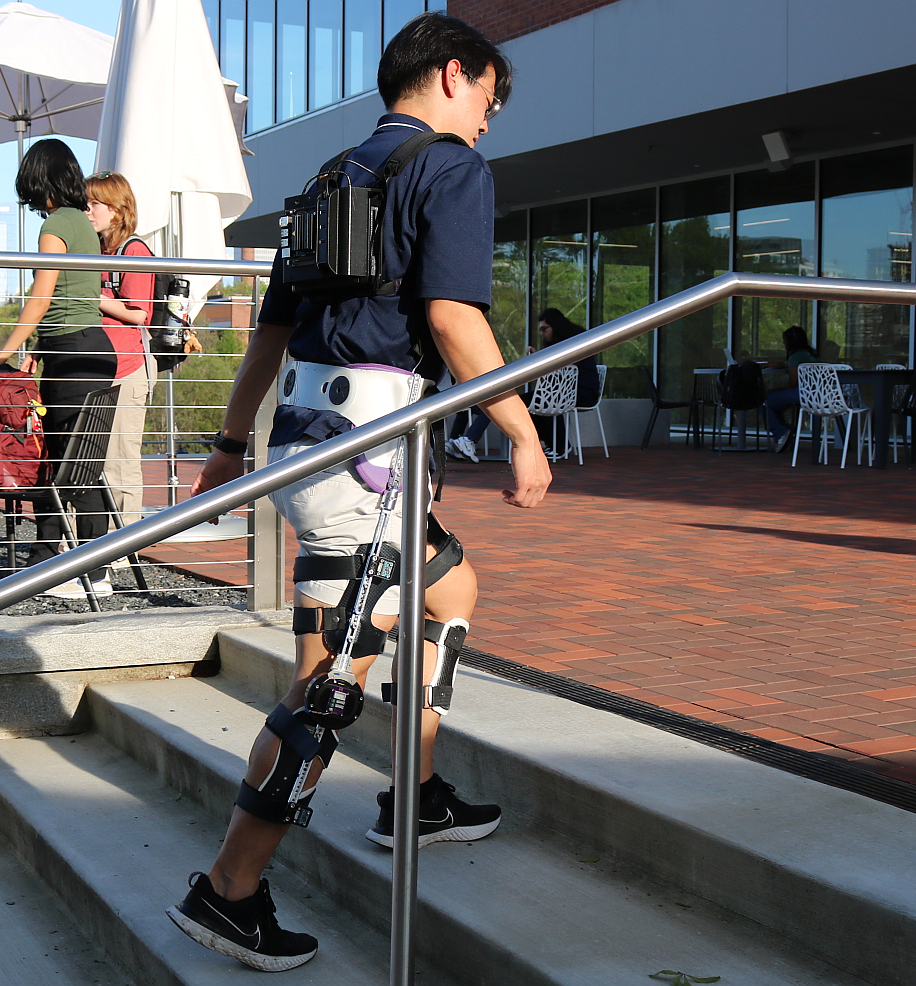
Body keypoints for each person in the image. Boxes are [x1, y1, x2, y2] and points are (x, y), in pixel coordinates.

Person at [167, 13, 548, 972]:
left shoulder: (333, 178)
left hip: (319, 444)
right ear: (455, 75)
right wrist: (523, 432)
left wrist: (227, 444)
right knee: (328, 688)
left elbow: (269, 334)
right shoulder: (449, 167)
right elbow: (454, 317)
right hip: (367, 458)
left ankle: (415, 793)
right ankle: (229, 889)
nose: (488, 123)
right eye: (489, 101)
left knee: (447, 592)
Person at [0, 138, 117, 593]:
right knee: (84, 462)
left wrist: (0, 357)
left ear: (37, 178)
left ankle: (73, 568)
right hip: (92, 348)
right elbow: (74, 296)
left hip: (71, 353)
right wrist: (36, 350)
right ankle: (74, 564)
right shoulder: (83, 224)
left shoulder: (55, 226)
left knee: (64, 460)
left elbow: (41, 298)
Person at [86, 171, 157, 533]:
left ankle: (122, 543)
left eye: (95, 203)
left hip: (127, 368)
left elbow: (139, 312)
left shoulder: (134, 250)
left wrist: (94, 297)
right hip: (100, 367)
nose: (88, 210)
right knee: (94, 460)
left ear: (117, 209)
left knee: (121, 460)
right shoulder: (99, 251)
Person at [447, 308, 597, 463]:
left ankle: (559, 446)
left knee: (529, 400)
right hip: (559, 392)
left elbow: (563, 369)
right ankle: (556, 445)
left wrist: (539, 358)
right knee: (519, 401)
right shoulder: (558, 344)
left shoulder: (576, 340)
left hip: (581, 392)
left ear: (556, 326)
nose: (542, 333)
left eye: (545, 329)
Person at [761, 325, 818, 447]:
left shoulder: (796, 357)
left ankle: (781, 432)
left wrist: (783, 395)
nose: (784, 343)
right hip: (815, 392)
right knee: (770, 395)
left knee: (762, 400)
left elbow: (793, 383)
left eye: (785, 340)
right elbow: (784, 363)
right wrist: (766, 364)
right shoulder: (809, 355)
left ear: (790, 341)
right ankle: (784, 432)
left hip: (802, 393)